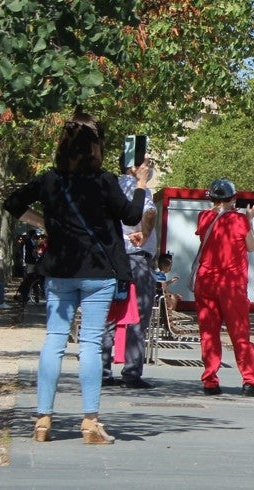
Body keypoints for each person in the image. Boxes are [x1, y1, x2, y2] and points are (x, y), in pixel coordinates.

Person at [2, 111, 151, 444]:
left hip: (59, 270)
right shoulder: (104, 181)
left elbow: (13, 203)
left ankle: (42, 420)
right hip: (98, 272)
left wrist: (45, 223)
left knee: (54, 341)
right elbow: (131, 215)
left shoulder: (50, 180)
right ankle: (90, 422)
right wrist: (141, 183)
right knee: (90, 344)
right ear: (95, 149)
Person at [194, 178, 254, 397]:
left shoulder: (203, 217)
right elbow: (251, 246)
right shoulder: (240, 220)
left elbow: (209, 221)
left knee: (208, 332)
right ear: (233, 198)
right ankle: (250, 381)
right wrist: (249, 218)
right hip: (232, 284)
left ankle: (210, 380)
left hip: (206, 281)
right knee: (240, 334)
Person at [101, 154, 158, 388]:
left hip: (111, 260)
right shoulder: (139, 187)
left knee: (108, 314)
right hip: (136, 258)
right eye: (147, 163)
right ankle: (132, 372)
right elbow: (149, 213)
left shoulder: (109, 186)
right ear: (135, 168)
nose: (151, 167)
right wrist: (144, 235)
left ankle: (102, 370)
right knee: (138, 314)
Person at [14, 231, 46, 307]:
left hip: (32, 263)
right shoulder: (29, 242)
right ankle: (28, 296)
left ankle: (33, 295)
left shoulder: (32, 242)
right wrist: (38, 256)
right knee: (30, 279)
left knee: (31, 279)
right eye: (36, 235)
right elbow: (32, 253)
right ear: (33, 235)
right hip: (31, 263)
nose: (37, 237)